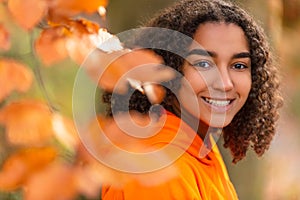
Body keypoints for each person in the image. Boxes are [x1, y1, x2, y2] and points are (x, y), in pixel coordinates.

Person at [99, 0, 283, 199]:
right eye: (203, 64)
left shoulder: (198, 147)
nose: (224, 83)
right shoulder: (162, 168)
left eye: (238, 66)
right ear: (169, 70)